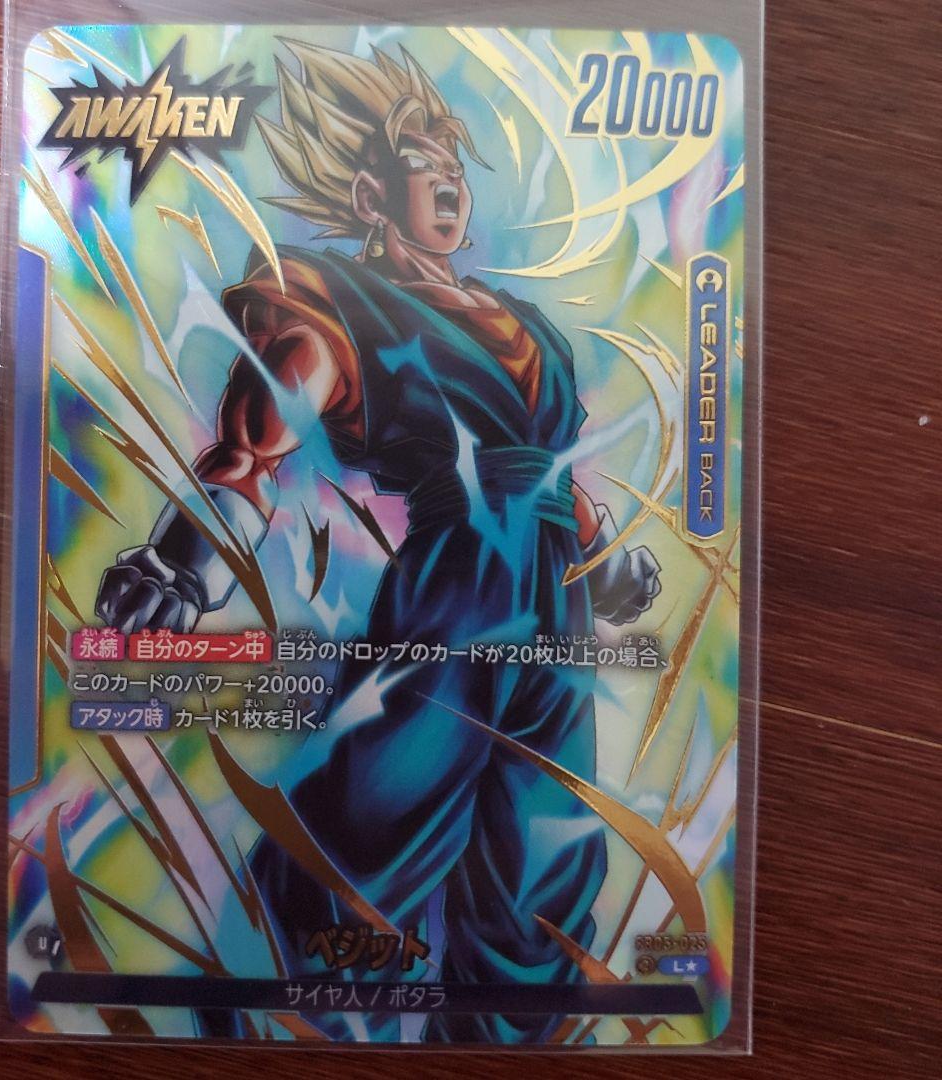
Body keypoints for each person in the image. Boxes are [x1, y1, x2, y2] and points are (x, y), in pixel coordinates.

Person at [96, 41, 660, 1043]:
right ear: (370, 196)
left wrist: (607, 567)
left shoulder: (530, 327)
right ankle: (250, 1014)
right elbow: (256, 441)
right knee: (366, 825)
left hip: (555, 623)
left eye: (454, 164)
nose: (449, 182)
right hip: (456, 596)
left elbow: (551, 475)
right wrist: (180, 563)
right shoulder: (339, 306)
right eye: (421, 164)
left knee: (545, 876)